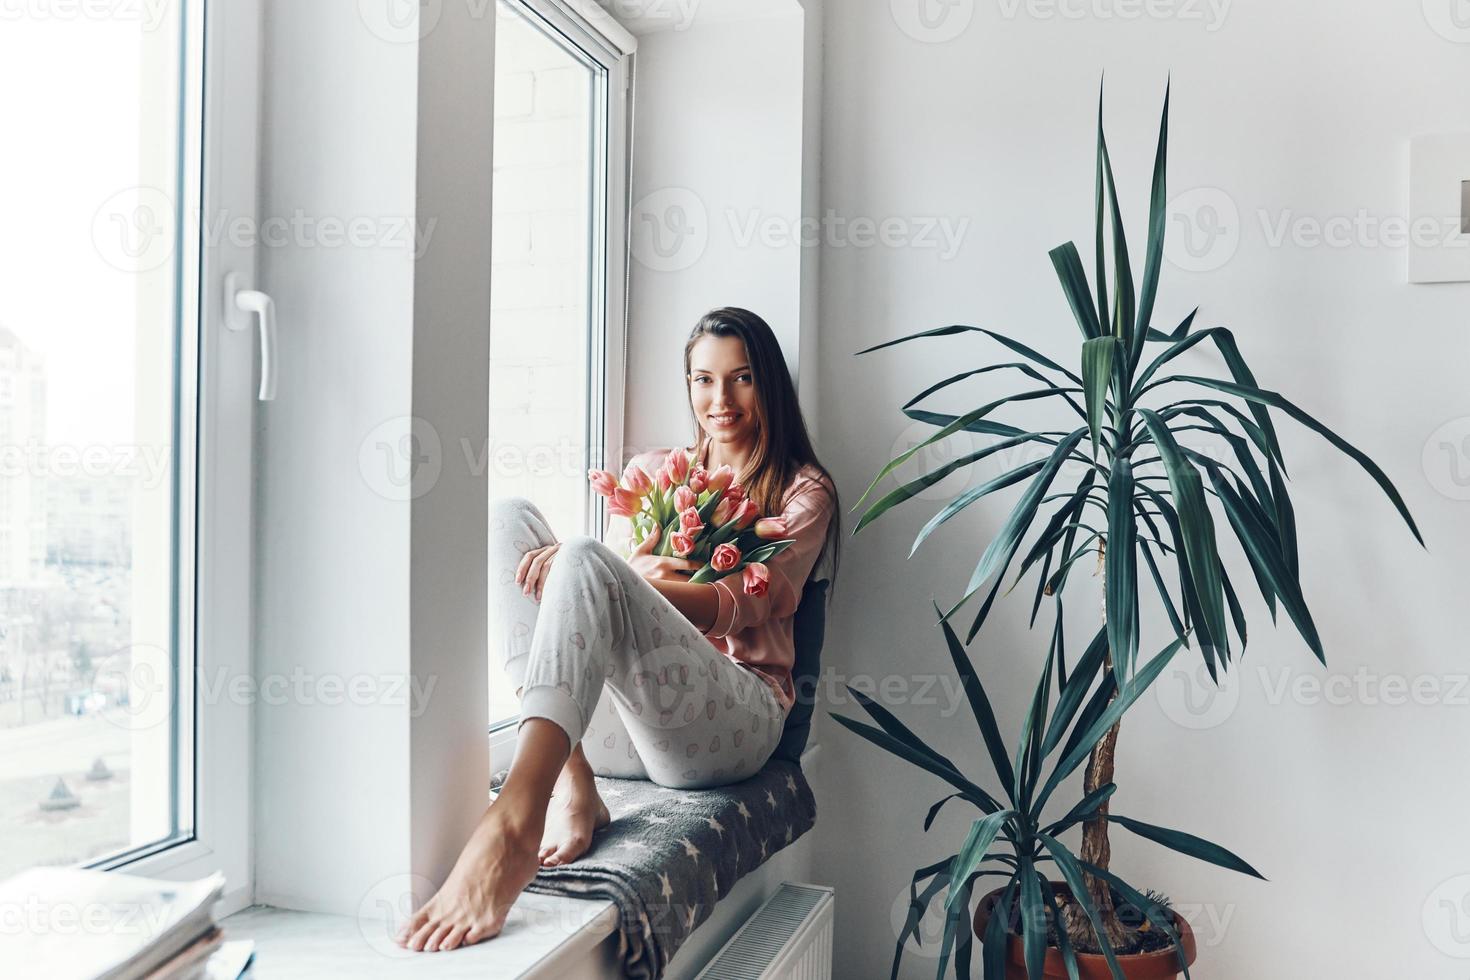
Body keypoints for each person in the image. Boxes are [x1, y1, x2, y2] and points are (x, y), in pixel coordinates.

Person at [395, 307, 842, 953]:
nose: (720, 400)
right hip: (624, 730)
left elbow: (746, 600)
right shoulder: (653, 474)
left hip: (730, 725)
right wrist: (621, 574)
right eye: (703, 379)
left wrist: (630, 578)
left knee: (582, 557)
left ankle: (513, 824)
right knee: (508, 519)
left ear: (767, 383)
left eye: (741, 378)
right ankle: (573, 779)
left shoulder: (803, 491)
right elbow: (600, 606)